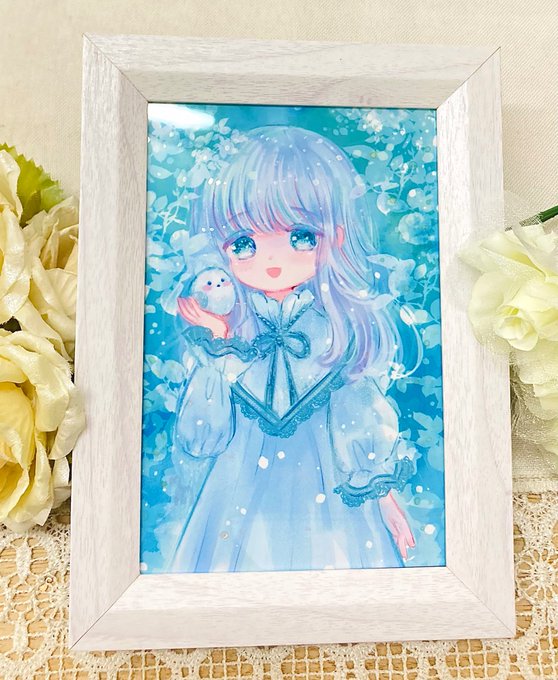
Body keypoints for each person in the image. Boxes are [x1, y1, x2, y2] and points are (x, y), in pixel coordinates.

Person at [170, 125, 417, 573]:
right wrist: (220, 344)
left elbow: (359, 413)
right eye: (244, 243)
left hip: (331, 486)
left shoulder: (335, 328)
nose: (271, 259)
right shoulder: (228, 331)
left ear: (334, 237)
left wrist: (384, 496)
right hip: (236, 491)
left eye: (300, 236)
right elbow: (201, 438)